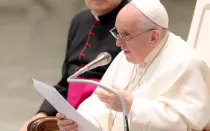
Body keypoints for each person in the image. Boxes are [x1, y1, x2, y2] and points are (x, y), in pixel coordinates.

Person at [56, 0, 210, 131]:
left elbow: (187, 125)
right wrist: (78, 120)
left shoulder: (186, 64)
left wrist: (132, 106)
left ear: (153, 37)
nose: (118, 43)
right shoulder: (126, 56)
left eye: (126, 35)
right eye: (117, 33)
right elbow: (99, 102)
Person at [19, 0, 129, 130]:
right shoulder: (80, 20)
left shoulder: (134, 21)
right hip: (69, 116)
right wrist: (42, 113)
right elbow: (66, 82)